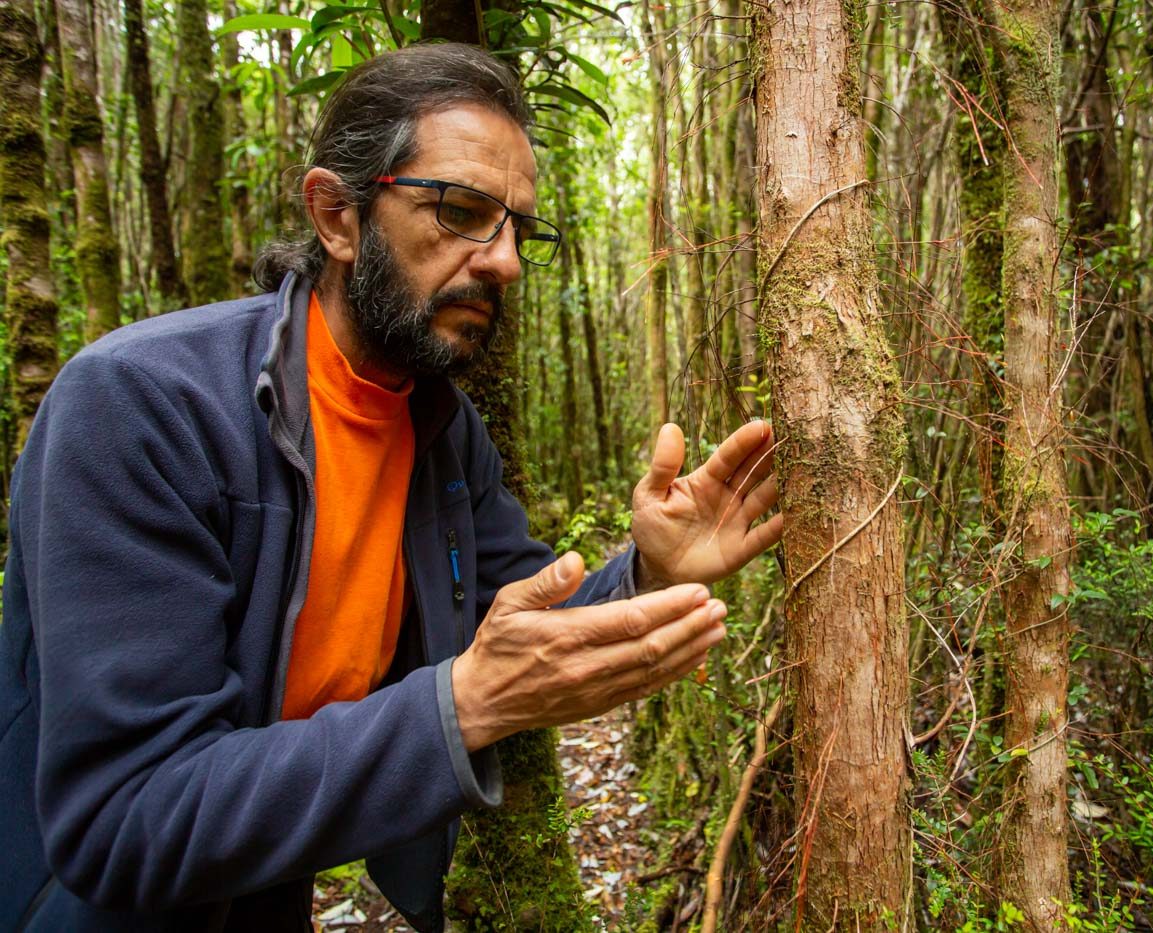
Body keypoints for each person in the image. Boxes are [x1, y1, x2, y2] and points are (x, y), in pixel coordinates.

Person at [0, 43, 782, 932]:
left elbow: (524, 633)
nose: (505, 262)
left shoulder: (441, 431)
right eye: (460, 211)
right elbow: (124, 819)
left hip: (266, 886)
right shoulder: (142, 405)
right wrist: (464, 704)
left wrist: (649, 567)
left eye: (519, 228)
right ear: (338, 215)